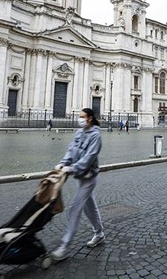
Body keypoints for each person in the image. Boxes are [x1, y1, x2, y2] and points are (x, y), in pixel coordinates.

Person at [51, 108, 105, 260]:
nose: (79, 119)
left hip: (89, 176)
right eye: (78, 116)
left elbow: (89, 157)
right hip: (80, 176)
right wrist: (62, 164)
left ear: (89, 118)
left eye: (82, 117)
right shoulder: (79, 133)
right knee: (90, 207)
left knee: (75, 209)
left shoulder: (96, 135)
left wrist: (72, 168)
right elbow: (70, 150)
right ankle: (99, 233)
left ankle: (64, 246)